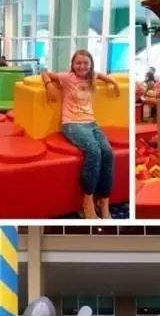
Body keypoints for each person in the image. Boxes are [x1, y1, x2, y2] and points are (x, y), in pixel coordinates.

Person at [41, 49, 120, 219]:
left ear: (91, 64)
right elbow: (45, 73)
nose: (82, 66)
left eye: (85, 63)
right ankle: (87, 201)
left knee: (108, 152)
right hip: (71, 123)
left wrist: (113, 81)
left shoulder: (92, 77)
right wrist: (49, 85)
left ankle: (104, 201)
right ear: (72, 65)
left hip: (91, 123)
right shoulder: (68, 78)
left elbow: (101, 75)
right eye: (78, 63)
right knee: (93, 150)